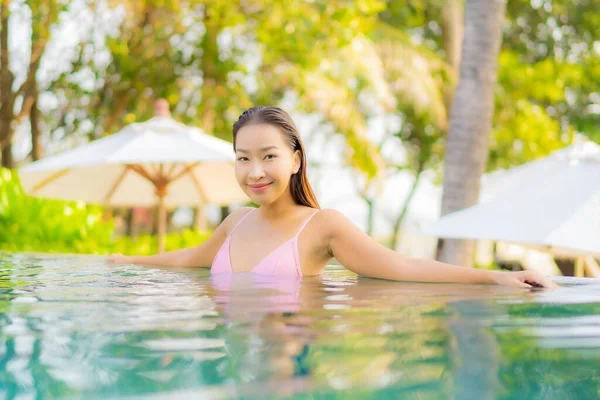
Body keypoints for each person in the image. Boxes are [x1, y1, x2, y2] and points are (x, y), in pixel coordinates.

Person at [108, 106, 556, 289]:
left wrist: (494, 279)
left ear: (297, 160)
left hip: (291, 370)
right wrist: (128, 265)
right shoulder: (236, 222)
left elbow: (403, 267)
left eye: (269, 156)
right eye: (243, 158)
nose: (255, 171)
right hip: (235, 369)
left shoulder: (322, 225)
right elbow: (192, 258)